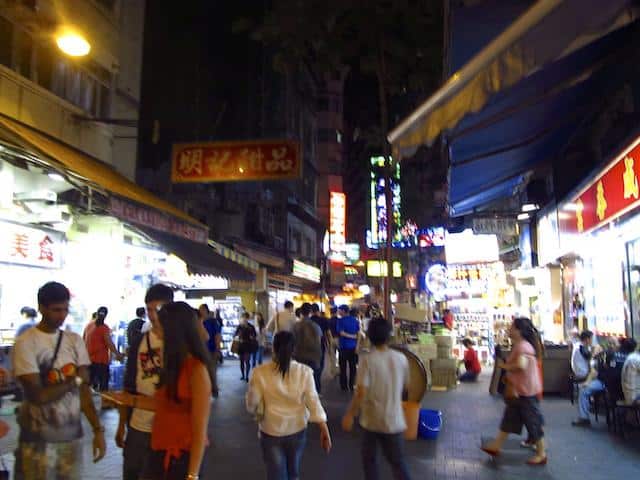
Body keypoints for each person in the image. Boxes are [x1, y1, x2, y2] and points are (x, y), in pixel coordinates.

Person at [105, 302, 213, 479]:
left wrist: (192, 475)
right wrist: (126, 400)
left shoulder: (196, 370)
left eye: (159, 326)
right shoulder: (172, 363)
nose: (156, 331)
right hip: (160, 451)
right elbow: (165, 403)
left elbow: (200, 430)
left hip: (180, 457)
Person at [13, 281, 106, 479]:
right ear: (41, 308)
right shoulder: (26, 342)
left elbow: (84, 392)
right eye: (56, 310)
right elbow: (38, 395)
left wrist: (98, 430)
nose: (62, 315)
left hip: (71, 438)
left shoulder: (74, 341)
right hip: (37, 442)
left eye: (65, 309)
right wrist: (75, 381)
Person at [246, 331, 332, 480]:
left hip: (270, 429)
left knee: (275, 474)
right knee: (293, 472)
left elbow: (252, 404)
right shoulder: (304, 372)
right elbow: (313, 401)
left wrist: (253, 409)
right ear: (294, 349)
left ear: (273, 348)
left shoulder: (259, 373)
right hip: (297, 428)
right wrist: (324, 429)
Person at [342, 317, 411, 480]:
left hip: (371, 420)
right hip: (394, 420)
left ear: (370, 336)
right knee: (398, 463)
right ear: (389, 336)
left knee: (369, 461)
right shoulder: (401, 358)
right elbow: (406, 387)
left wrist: (350, 415)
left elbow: (361, 392)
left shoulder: (368, 360)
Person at [118, 284, 174, 480]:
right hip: (138, 427)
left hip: (168, 428)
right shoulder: (139, 342)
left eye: (158, 309)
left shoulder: (180, 343)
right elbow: (129, 385)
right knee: (133, 472)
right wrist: (121, 424)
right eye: (150, 309)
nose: (153, 315)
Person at [481, 317, 546, 465]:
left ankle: (542, 454)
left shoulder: (523, 346)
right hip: (521, 392)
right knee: (509, 420)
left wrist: (504, 367)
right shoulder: (523, 345)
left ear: (519, 331)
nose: (509, 329)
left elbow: (521, 366)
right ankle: (495, 446)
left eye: (512, 327)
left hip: (526, 393)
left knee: (533, 423)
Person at [572, 337, 636, 427]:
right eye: (610, 343)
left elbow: (596, 370)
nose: (612, 345)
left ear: (620, 345)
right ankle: (624, 419)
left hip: (606, 383)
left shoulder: (609, 354)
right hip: (624, 387)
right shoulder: (633, 358)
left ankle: (584, 418)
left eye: (614, 343)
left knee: (584, 390)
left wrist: (588, 381)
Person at [86, 308, 124, 391]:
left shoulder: (89, 325)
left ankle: (85, 402)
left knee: (87, 385)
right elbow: (109, 343)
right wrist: (118, 354)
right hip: (101, 361)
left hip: (89, 360)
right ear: (106, 315)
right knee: (103, 387)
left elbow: (83, 340)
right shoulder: (104, 327)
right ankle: (104, 403)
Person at [291, 303, 323, 393]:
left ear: (301, 312)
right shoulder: (316, 326)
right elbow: (319, 341)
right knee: (313, 378)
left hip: (299, 355)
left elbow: (292, 341)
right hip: (314, 356)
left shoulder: (295, 326)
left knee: (300, 378)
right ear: (310, 312)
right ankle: (314, 395)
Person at [336, 304, 360, 392]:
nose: (338, 312)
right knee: (353, 368)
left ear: (343, 311)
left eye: (339, 310)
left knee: (343, 368)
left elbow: (341, 333)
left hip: (343, 347)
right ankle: (352, 385)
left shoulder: (340, 321)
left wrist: (351, 336)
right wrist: (356, 343)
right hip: (353, 347)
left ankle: (344, 386)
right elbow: (359, 334)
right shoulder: (355, 320)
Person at [200, 304, 221, 396]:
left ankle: (214, 389)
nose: (201, 312)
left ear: (206, 311)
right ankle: (207, 389)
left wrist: (217, 349)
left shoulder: (213, 322)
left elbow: (217, 335)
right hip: (201, 350)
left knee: (212, 370)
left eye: (202, 310)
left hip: (211, 349)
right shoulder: (199, 322)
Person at [310, 304, 332, 390]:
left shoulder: (309, 320)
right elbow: (328, 333)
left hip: (310, 345)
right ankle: (317, 386)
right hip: (321, 345)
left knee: (311, 365)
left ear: (311, 311)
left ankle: (312, 384)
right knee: (320, 366)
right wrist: (330, 346)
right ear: (318, 310)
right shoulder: (324, 320)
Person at [235, 312, 258, 381]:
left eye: (245, 317)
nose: (244, 319)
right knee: (241, 361)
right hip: (241, 346)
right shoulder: (239, 326)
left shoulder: (251, 327)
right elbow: (235, 335)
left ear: (248, 318)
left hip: (248, 345)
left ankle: (247, 376)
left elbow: (254, 335)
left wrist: (252, 336)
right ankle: (243, 375)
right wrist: (238, 336)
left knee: (247, 361)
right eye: (243, 317)